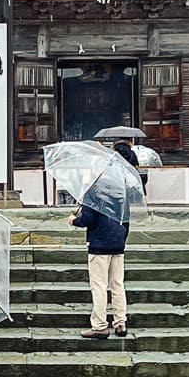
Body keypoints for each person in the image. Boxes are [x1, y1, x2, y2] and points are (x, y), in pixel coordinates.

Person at [70, 141, 141, 340]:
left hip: (99, 244)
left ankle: (100, 324)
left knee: (99, 286)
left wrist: (74, 220)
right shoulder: (122, 189)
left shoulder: (96, 187)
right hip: (118, 242)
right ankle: (120, 323)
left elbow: (88, 219)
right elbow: (125, 219)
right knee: (118, 284)